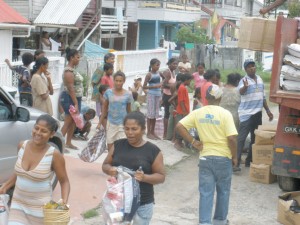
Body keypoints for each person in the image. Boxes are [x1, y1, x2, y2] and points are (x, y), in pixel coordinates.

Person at [176, 84, 238, 225]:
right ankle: (220, 221)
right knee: (223, 191)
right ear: (220, 97)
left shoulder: (199, 112)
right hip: (223, 158)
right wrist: (234, 157)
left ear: (206, 97)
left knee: (206, 193)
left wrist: (193, 142)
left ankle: (204, 222)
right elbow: (232, 138)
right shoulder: (225, 114)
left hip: (205, 157)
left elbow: (179, 126)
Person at [0, 114, 70, 224]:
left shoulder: (54, 155)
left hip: (40, 209)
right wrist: (6, 185)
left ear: (52, 134)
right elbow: (19, 172)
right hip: (18, 204)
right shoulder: (21, 145)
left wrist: (63, 203)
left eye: (44, 131)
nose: (38, 133)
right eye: (36, 128)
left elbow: (64, 181)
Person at [102, 111, 165, 225]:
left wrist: (144, 177)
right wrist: (110, 170)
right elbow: (105, 165)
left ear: (143, 129)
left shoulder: (153, 151)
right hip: (118, 202)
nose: (130, 133)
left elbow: (161, 177)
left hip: (142, 204)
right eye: (127, 129)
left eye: (134, 129)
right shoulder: (118, 145)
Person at [237, 59, 274, 168]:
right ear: (245, 69)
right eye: (249, 67)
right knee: (241, 139)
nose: (252, 68)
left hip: (257, 114)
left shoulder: (260, 79)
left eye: (253, 66)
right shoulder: (243, 80)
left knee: (255, 139)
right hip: (246, 114)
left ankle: (249, 161)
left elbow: (262, 97)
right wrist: (245, 87)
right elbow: (240, 92)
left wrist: (268, 111)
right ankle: (236, 163)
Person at [97, 71, 133, 151]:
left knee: (121, 146)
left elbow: (129, 110)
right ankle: (111, 162)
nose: (118, 83)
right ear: (114, 81)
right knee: (110, 146)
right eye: (116, 80)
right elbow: (104, 109)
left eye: (120, 81)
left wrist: (130, 124)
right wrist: (100, 123)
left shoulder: (128, 94)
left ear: (124, 81)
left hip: (122, 124)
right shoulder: (108, 92)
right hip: (111, 123)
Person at [60, 48, 83, 150]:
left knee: (74, 121)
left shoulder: (73, 70)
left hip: (76, 98)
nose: (79, 59)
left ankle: (68, 142)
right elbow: (70, 88)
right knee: (68, 121)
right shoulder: (68, 71)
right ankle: (59, 143)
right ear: (71, 58)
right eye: (77, 57)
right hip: (70, 99)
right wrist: (75, 103)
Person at [143, 58, 162, 140]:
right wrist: (154, 86)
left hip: (158, 94)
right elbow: (144, 86)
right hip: (151, 95)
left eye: (159, 65)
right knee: (150, 114)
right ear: (151, 65)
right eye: (156, 65)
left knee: (155, 114)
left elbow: (165, 79)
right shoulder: (149, 75)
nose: (158, 67)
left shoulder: (159, 73)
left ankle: (153, 131)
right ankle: (148, 132)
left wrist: (162, 84)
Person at [91, 53, 115, 119]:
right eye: (112, 59)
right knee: (100, 109)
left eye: (114, 59)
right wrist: (98, 91)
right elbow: (94, 80)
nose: (114, 60)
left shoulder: (111, 68)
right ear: (107, 60)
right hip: (100, 93)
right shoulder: (101, 68)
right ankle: (101, 125)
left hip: (108, 94)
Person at [174, 73, 193, 150]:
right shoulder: (182, 88)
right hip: (182, 112)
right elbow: (181, 101)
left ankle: (180, 142)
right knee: (181, 127)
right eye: (189, 81)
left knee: (183, 126)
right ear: (186, 80)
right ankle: (178, 142)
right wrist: (184, 111)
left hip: (183, 111)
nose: (190, 83)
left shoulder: (183, 87)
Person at [162, 57, 178, 139]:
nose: (175, 65)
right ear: (169, 64)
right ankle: (165, 134)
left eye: (176, 64)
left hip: (172, 95)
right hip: (167, 95)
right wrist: (172, 86)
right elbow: (163, 84)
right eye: (174, 64)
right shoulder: (167, 72)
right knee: (167, 114)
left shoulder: (174, 71)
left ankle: (170, 134)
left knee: (172, 114)